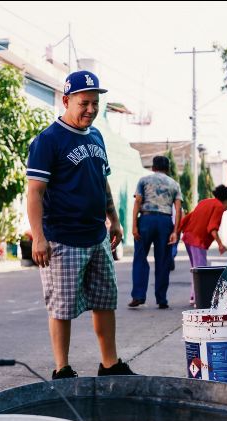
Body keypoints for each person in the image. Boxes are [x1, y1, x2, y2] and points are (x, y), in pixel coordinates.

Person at [26, 70, 137, 380]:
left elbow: (103, 182)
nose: (90, 109)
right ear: (66, 101)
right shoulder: (48, 141)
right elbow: (34, 193)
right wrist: (38, 237)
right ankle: (62, 369)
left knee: (105, 302)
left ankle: (110, 365)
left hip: (97, 236)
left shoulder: (97, 136)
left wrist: (114, 220)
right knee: (61, 307)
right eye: (84, 103)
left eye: (95, 103)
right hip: (62, 238)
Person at [128, 155, 183, 309]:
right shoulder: (174, 184)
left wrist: (134, 226)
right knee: (163, 260)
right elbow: (178, 209)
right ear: (168, 169)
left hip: (146, 219)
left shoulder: (144, 180)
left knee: (140, 257)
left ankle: (138, 295)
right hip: (165, 221)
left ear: (153, 168)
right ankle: (162, 298)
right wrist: (175, 231)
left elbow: (137, 202)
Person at [179, 185, 227, 306]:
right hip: (198, 240)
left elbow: (189, 217)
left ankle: (194, 296)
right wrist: (220, 244)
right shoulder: (219, 206)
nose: (226, 210)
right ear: (226, 201)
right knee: (201, 271)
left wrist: (178, 230)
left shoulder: (204, 202)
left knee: (195, 269)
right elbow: (212, 227)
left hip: (188, 236)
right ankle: (199, 299)